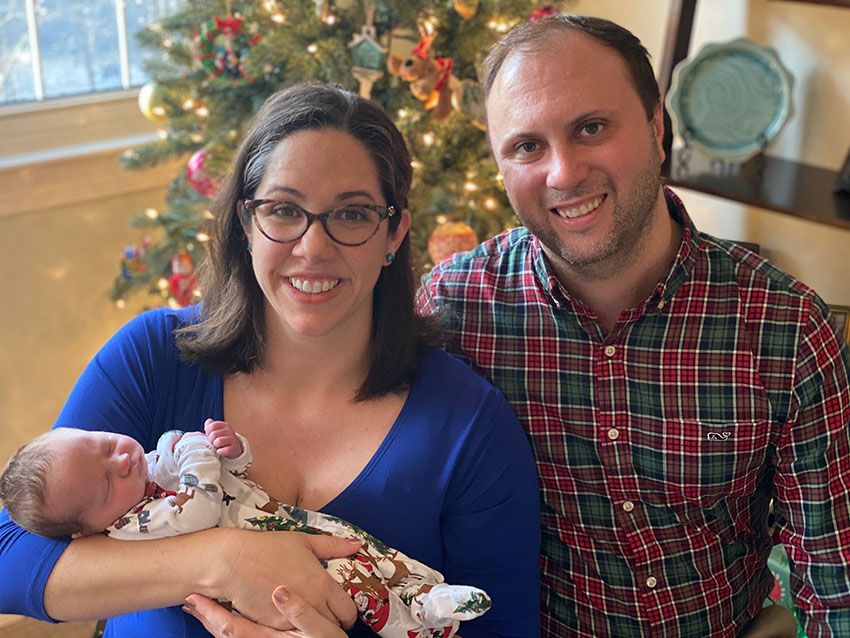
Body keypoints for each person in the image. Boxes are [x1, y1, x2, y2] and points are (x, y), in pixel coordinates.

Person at [0, 82, 540, 638]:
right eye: (283, 210)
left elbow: (503, 627)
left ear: (394, 233)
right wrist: (227, 561)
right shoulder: (153, 356)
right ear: (245, 223)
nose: (313, 247)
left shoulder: (469, 425)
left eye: (351, 214)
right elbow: (9, 557)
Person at [415, 14, 850, 638]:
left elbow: (833, 574)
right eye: (526, 146)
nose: (562, 173)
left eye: (591, 128)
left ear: (656, 124)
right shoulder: (456, 309)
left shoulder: (785, 326)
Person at [0, 423, 493, 638]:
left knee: (364, 546)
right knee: (348, 583)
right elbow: (200, 508)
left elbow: (233, 474)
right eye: (105, 487)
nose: (122, 462)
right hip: (277, 583)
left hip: (284, 523)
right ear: (88, 530)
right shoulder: (134, 526)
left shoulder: (150, 468)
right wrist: (196, 452)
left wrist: (233, 450)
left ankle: (426, 587)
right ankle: (418, 621)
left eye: (104, 444)